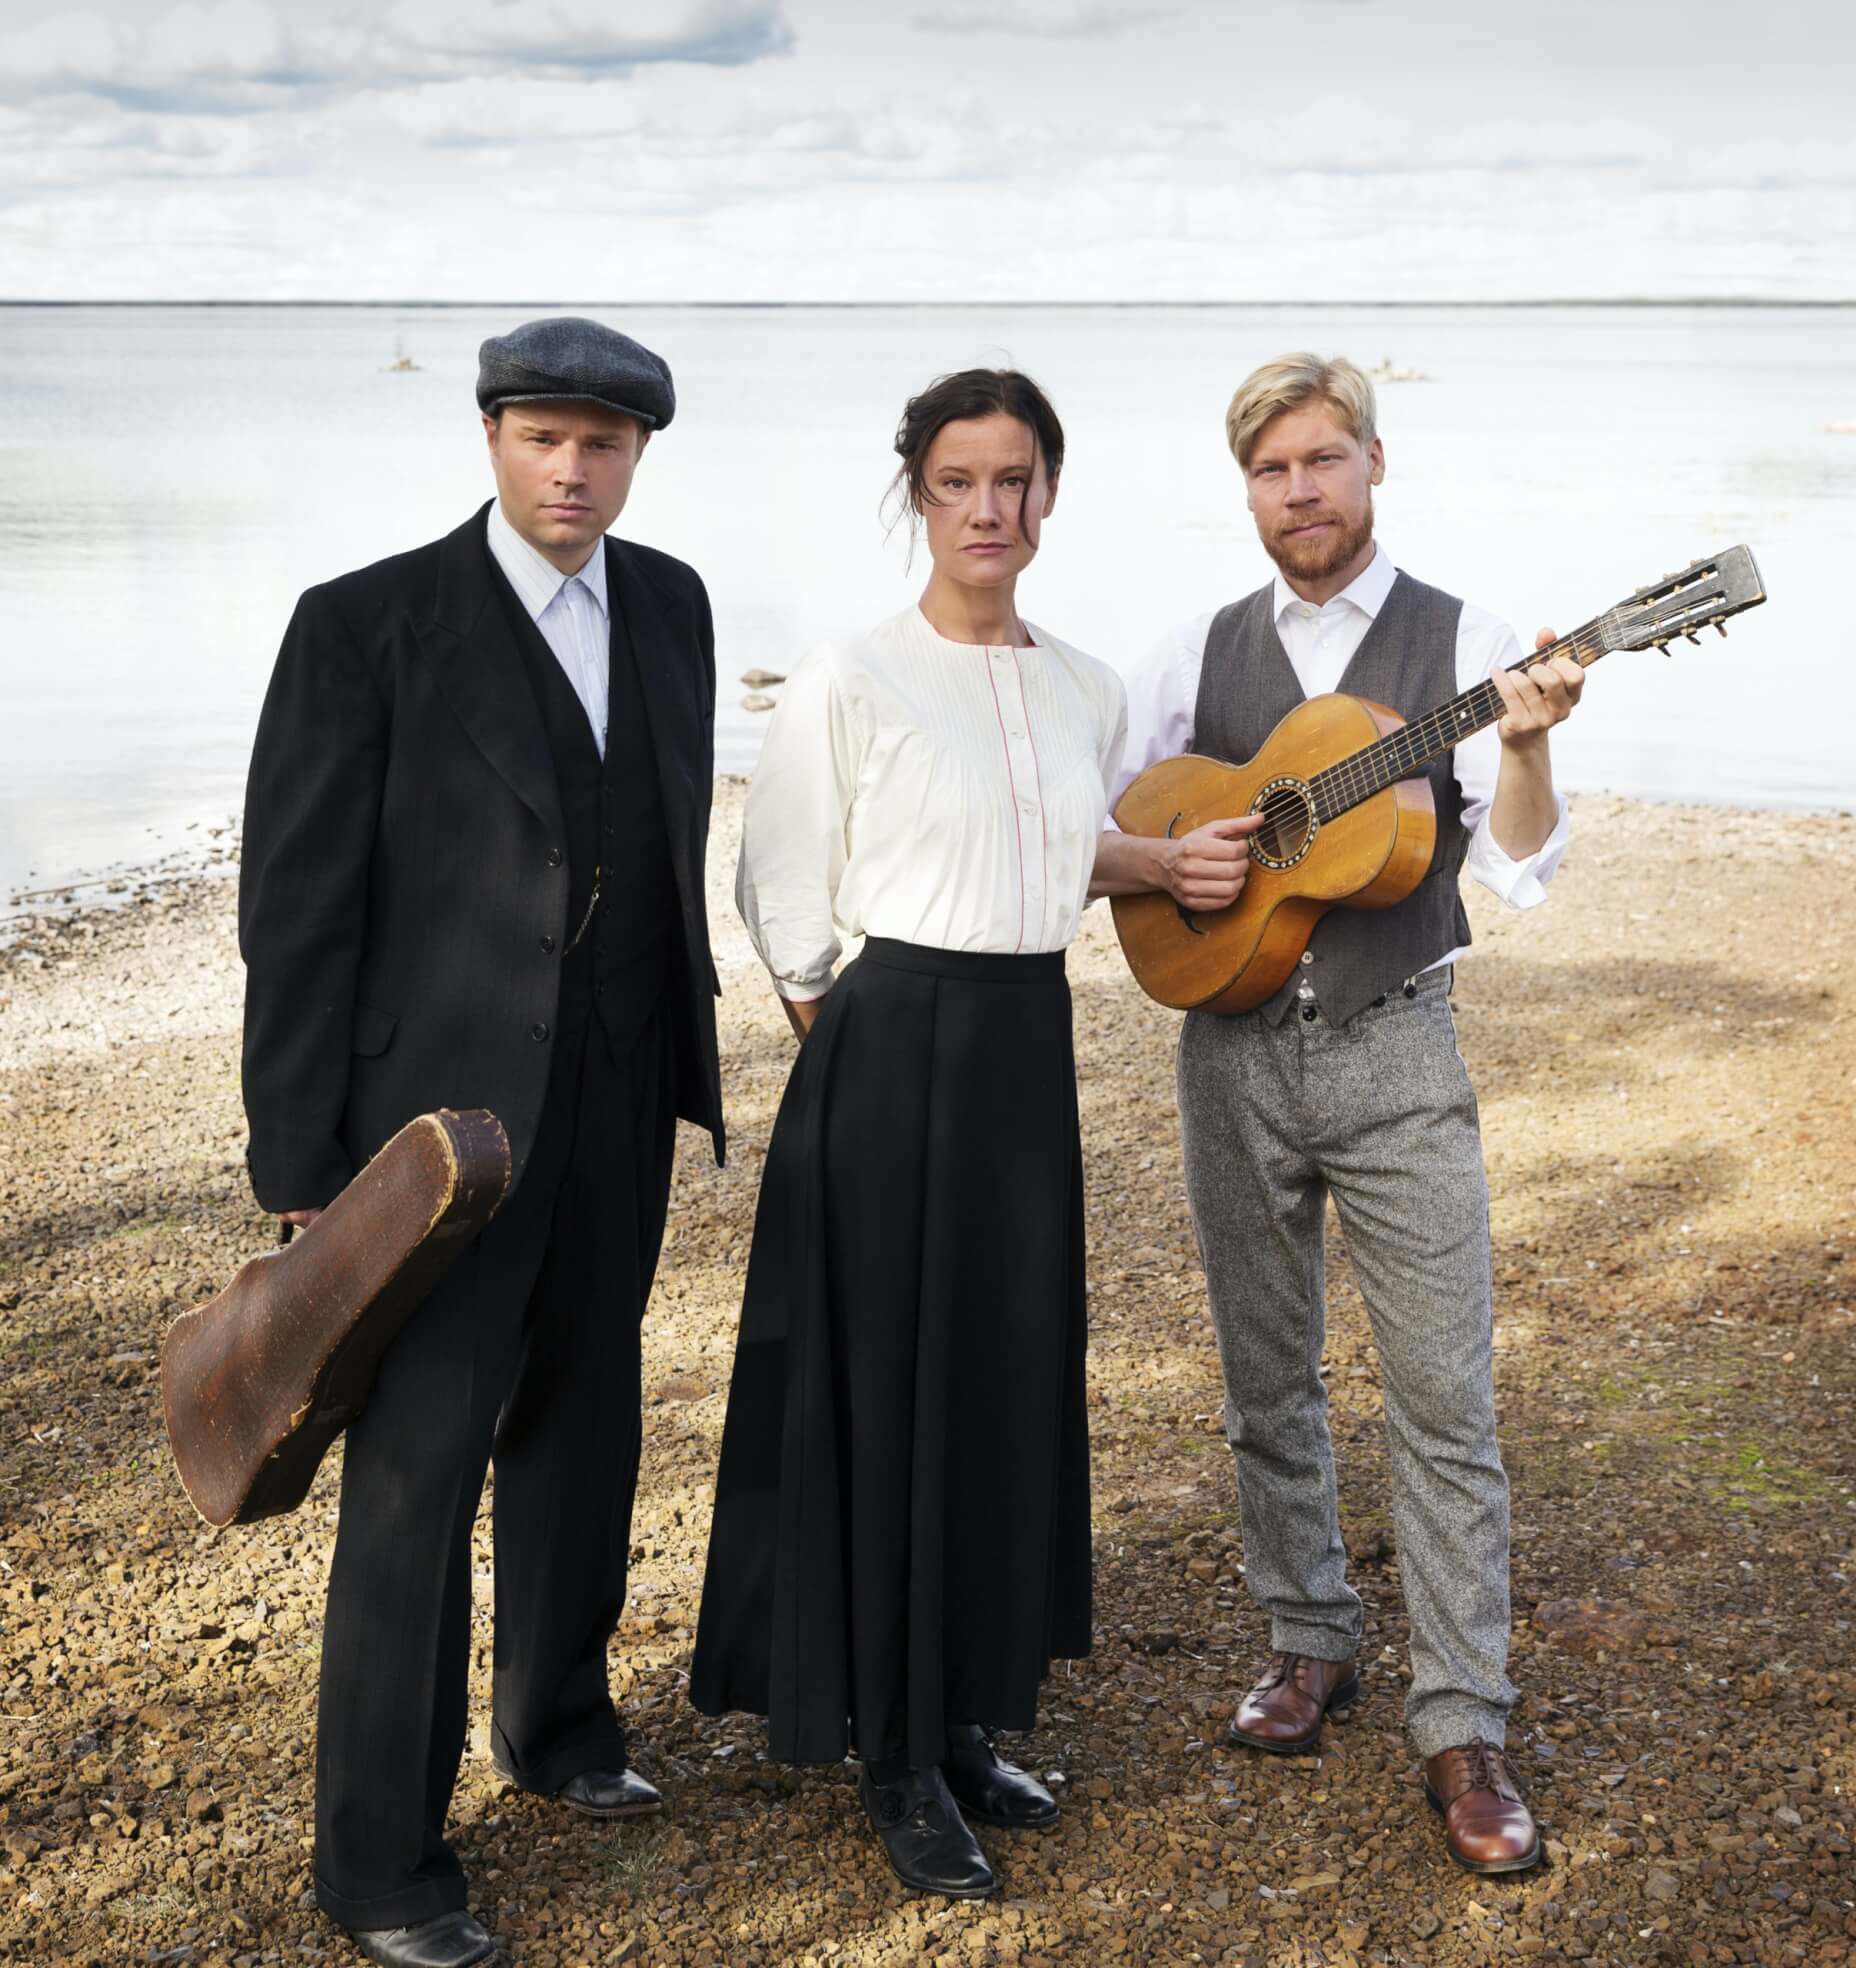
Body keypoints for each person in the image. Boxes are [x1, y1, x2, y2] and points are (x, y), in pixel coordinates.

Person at [238, 316, 725, 1968]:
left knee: (585, 1425)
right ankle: (379, 1857)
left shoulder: (672, 603)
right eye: (543, 437)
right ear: (493, 439)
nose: (574, 467)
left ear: (639, 451)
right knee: (416, 1471)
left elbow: (660, 839)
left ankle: (562, 1730)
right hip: (432, 1134)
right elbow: (296, 907)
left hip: (617, 1093)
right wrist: (303, 1165)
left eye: (603, 441)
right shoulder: (363, 625)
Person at [1093, 352, 1582, 1876]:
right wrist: (1182, 866)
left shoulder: (1470, 644)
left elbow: (1517, 864)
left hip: (1397, 1050)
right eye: (1270, 470)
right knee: (1264, 1372)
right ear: (1246, 489)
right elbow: (1116, 827)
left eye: (1322, 460)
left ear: (1376, 461)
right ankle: (1307, 1638)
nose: (1299, 491)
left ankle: (1464, 1721)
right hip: (1230, 1045)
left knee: (1444, 1400)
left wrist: (1526, 736)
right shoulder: (1195, 650)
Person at [689, 369, 1125, 1901]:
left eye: (1014, 480)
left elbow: (1063, 849)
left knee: (1005, 1377)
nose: (988, 509)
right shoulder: (851, 674)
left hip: (1028, 1044)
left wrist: (1184, 859)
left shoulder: (1088, 686)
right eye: (958, 482)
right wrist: (856, 1044)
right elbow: (783, 889)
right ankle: (890, 1757)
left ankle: (965, 1719)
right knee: (885, 1388)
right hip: (887, 1051)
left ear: (1048, 493)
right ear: (918, 496)